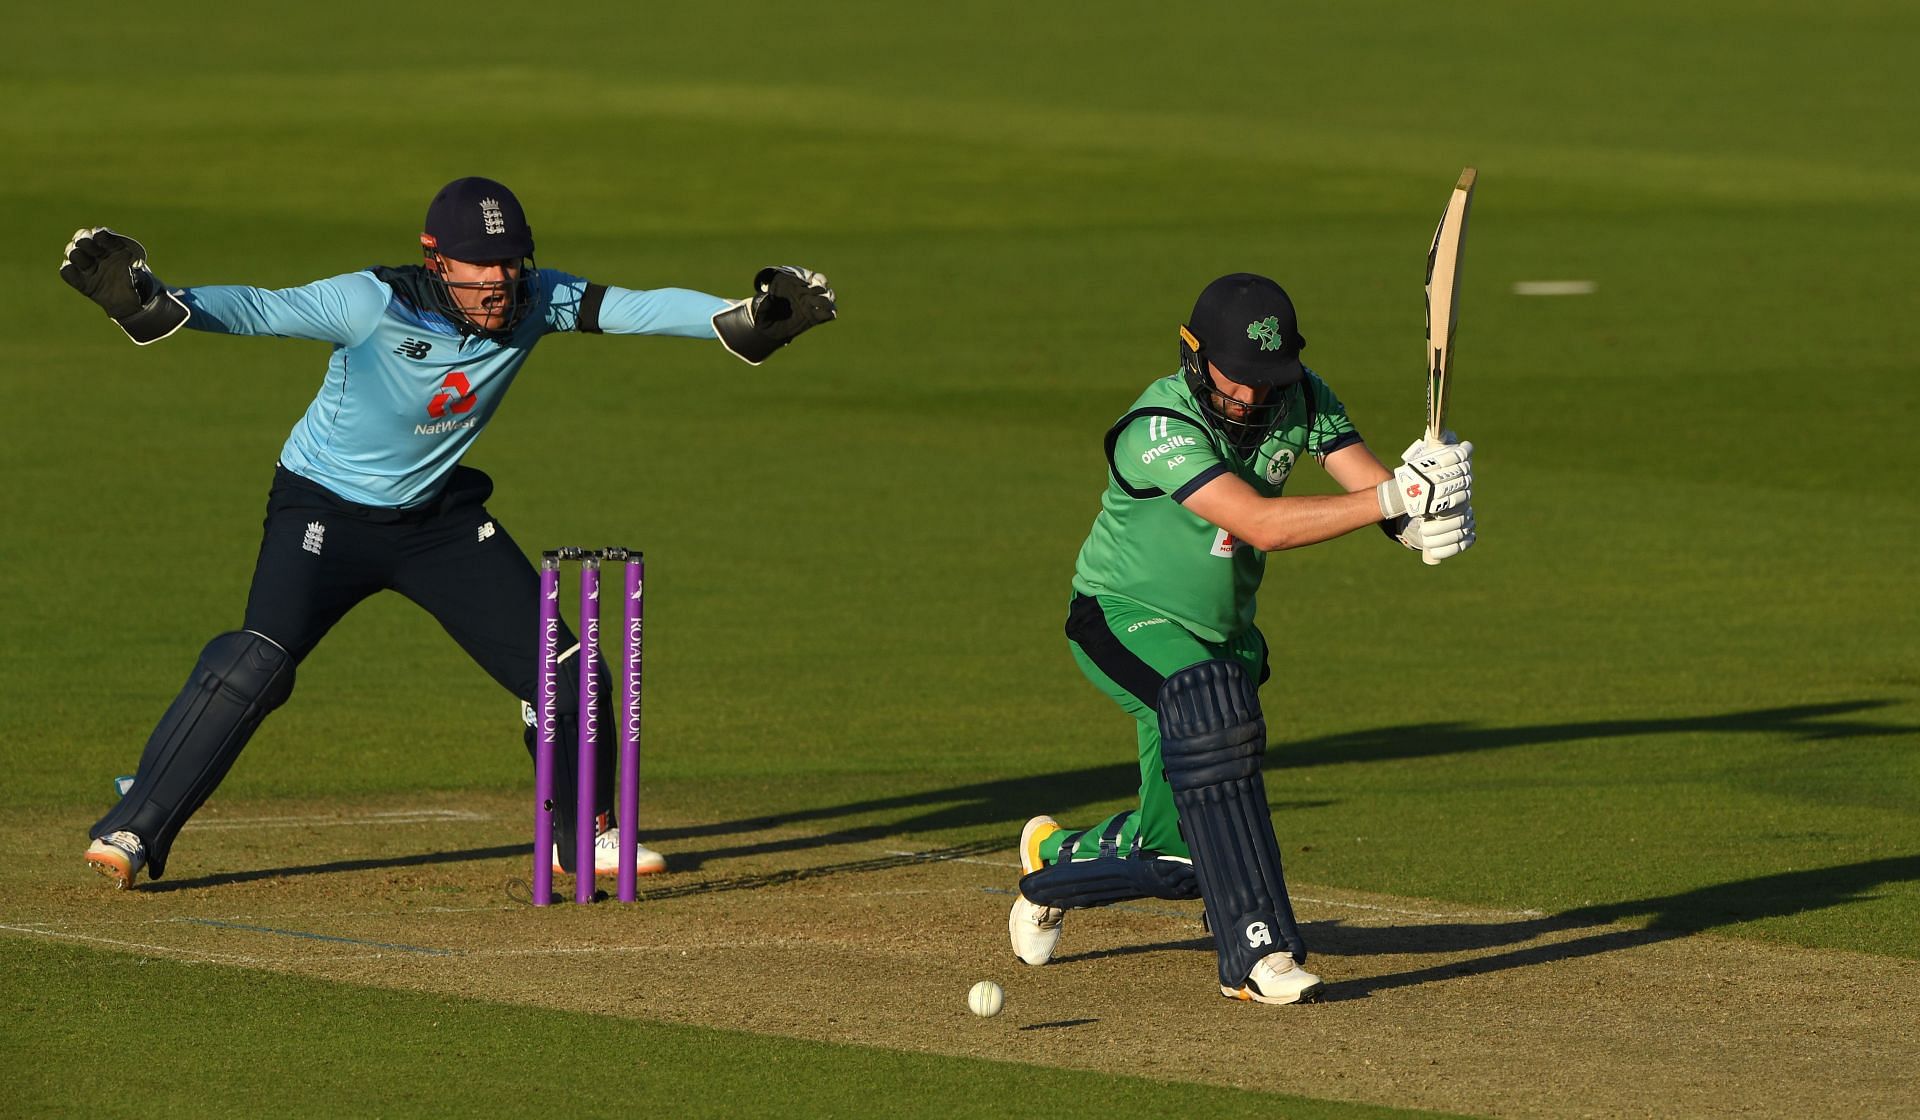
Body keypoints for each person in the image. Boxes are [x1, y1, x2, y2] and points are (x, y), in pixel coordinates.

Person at [61, 176, 837, 890]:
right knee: (255, 664)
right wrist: (147, 301)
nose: (498, 282)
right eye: (478, 266)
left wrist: (745, 320)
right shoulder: (370, 302)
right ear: (435, 259)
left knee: (570, 670)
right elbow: (259, 307)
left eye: (509, 264)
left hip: (437, 519)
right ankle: (135, 828)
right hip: (323, 510)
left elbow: (638, 306)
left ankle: (586, 833)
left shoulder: (540, 298)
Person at [1008, 273, 1474, 1004]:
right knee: (1211, 709)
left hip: (1219, 638)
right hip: (1122, 617)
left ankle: (1052, 865)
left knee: (1177, 857)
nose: (1253, 398)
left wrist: (1425, 511)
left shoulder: (1301, 395)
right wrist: (1390, 500)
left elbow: (1374, 491)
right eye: (1238, 379)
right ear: (1194, 357)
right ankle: (1261, 954)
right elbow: (1261, 524)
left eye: (1268, 380)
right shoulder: (1157, 428)